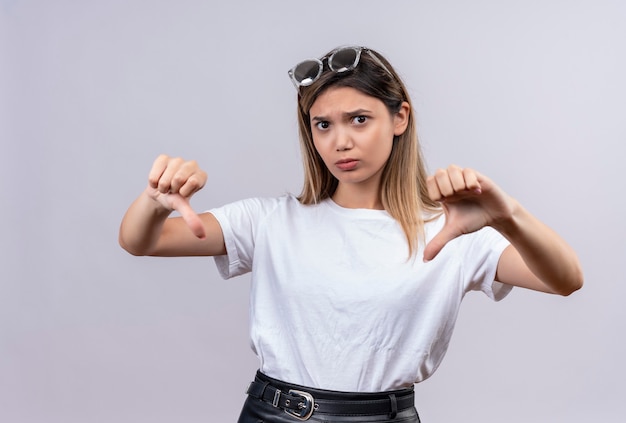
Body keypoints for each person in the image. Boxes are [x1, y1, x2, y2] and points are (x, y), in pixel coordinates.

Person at [119, 46, 583, 423]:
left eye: (359, 119)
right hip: (271, 415)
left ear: (400, 118)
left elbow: (565, 280)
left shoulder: (453, 229)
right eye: (323, 125)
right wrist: (153, 201)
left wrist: (509, 217)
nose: (340, 141)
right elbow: (141, 241)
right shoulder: (270, 221)